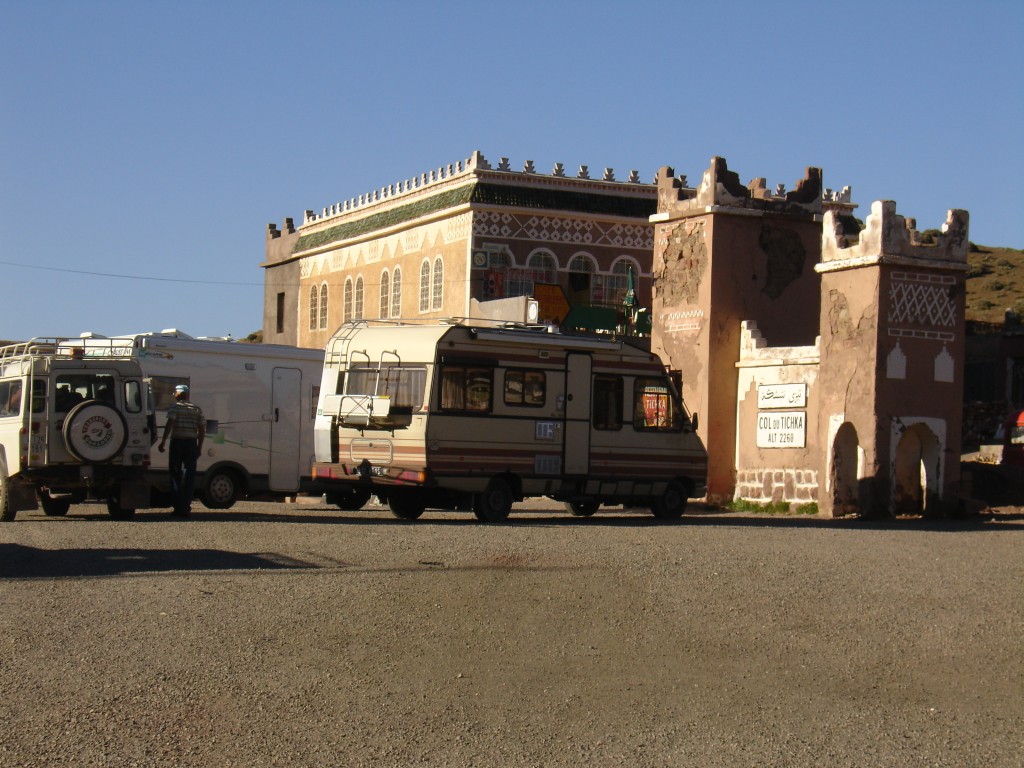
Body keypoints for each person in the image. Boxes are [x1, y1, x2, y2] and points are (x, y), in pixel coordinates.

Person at [158, 384, 205, 517]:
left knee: (175, 473)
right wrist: (199, 447)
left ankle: (178, 507)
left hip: (177, 442)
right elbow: (202, 430)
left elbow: (170, 424)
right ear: (187, 395)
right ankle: (186, 506)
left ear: (177, 395)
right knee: (189, 476)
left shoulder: (175, 407)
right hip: (191, 444)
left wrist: (163, 441)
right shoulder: (196, 409)